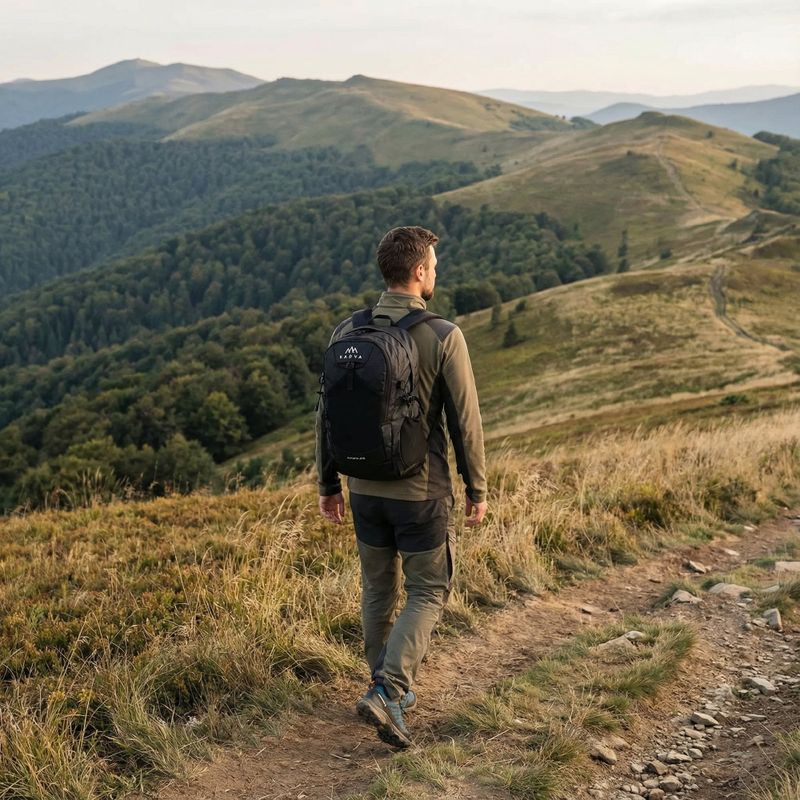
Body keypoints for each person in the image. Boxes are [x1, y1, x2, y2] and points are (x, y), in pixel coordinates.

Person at [315, 225, 487, 748]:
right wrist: (477, 487)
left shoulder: (347, 331)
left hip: (363, 489)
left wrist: (328, 482)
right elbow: (465, 422)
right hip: (420, 492)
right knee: (429, 588)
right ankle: (389, 690)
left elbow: (326, 414)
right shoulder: (443, 335)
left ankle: (380, 685)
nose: (436, 273)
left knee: (377, 589)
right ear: (417, 272)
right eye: (433, 266)